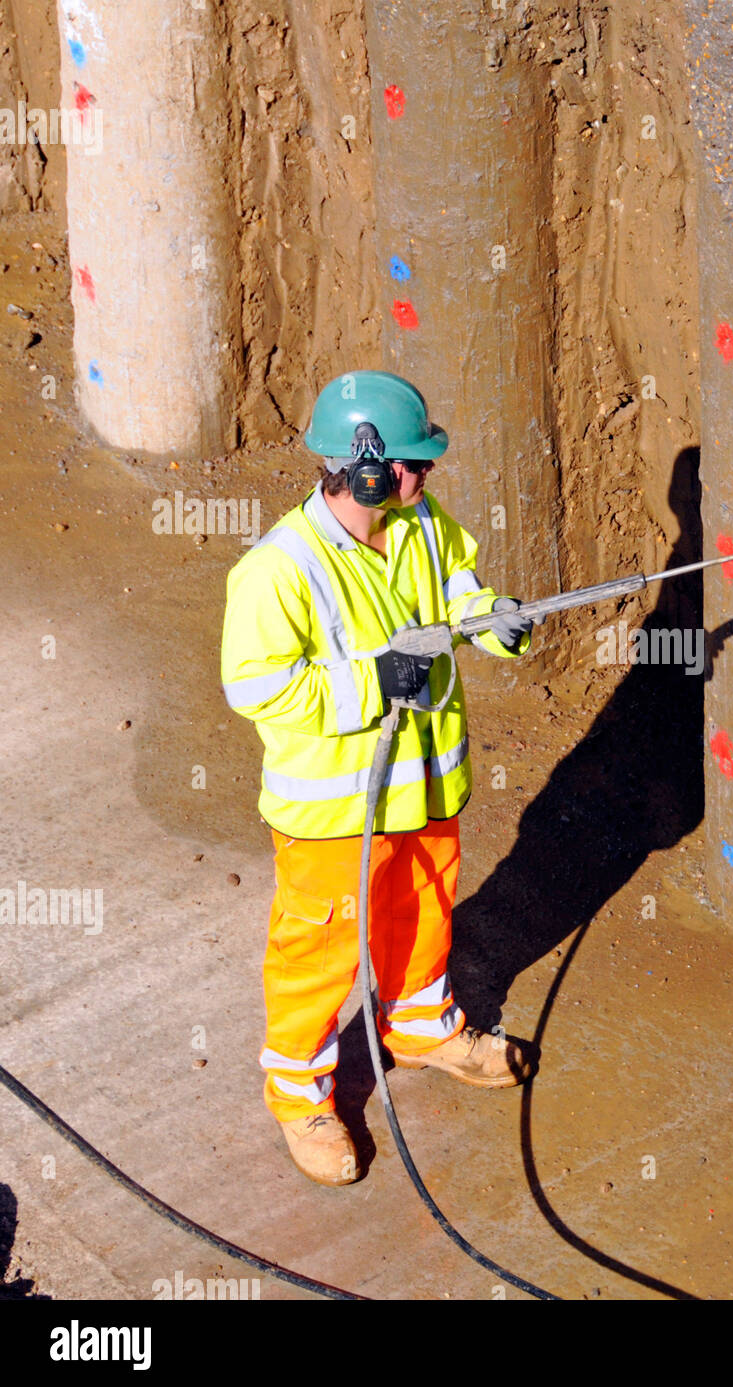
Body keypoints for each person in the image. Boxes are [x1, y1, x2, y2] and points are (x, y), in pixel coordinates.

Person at [220, 370, 536, 1186]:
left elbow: (458, 581)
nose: (426, 476)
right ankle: (300, 1094)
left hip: (423, 786)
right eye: (413, 463)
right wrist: (373, 681)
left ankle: (421, 1026)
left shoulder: (419, 521)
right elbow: (254, 684)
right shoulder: (278, 569)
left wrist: (492, 620)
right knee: (319, 951)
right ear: (364, 466)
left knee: (422, 912)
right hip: (335, 811)